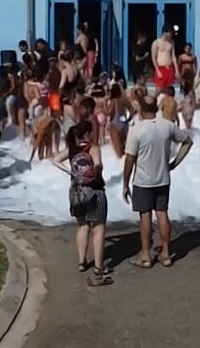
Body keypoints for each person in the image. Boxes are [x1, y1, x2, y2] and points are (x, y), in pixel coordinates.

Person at [122, 94, 194, 269]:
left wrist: (125, 183)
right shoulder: (168, 126)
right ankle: (166, 254)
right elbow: (187, 141)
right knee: (162, 213)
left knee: (145, 216)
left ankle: (145, 255)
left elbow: (130, 159)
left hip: (143, 180)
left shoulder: (136, 130)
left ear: (141, 109)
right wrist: (174, 163)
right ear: (156, 107)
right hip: (163, 178)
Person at [53, 117, 112, 287]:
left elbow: (55, 160)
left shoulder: (72, 149)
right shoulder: (93, 148)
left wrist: (71, 172)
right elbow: (98, 165)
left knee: (82, 226)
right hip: (94, 191)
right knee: (98, 228)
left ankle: (81, 262)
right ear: (88, 133)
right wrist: (95, 172)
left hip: (76, 192)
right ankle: (98, 267)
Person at [107, 83, 133, 157]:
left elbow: (109, 112)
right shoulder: (124, 100)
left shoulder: (113, 101)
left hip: (115, 124)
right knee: (125, 147)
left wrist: (104, 107)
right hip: (124, 123)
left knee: (118, 151)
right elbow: (132, 110)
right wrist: (128, 119)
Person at [151, 26, 177, 92]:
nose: (171, 35)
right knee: (159, 89)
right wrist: (157, 70)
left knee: (169, 89)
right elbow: (153, 57)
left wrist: (176, 70)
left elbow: (173, 56)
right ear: (165, 32)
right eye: (170, 33)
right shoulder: (156, 43)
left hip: (169, 68)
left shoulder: (171, 42)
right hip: (160, 68)